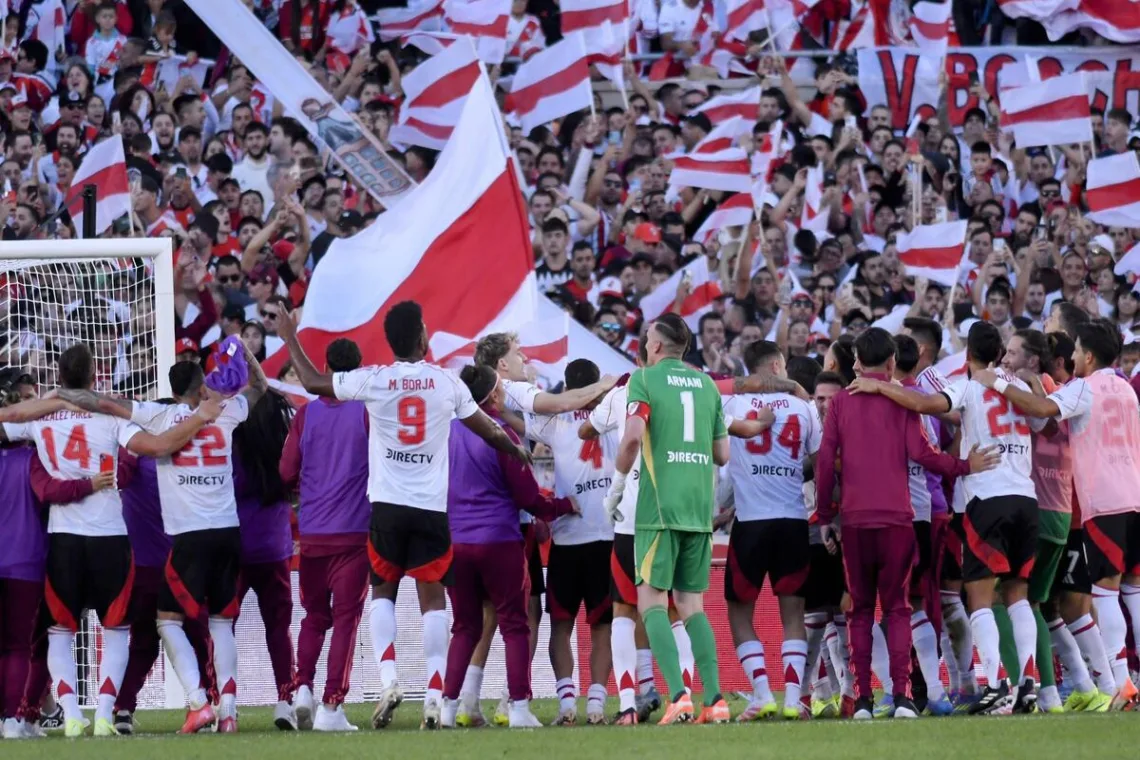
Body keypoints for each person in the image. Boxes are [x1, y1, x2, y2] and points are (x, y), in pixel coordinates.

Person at [276, 300, 530, 730]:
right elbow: (484, 427)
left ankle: (390, 679)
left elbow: (313, 381)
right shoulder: (446, 382)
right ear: (422, 338)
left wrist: (288, 336)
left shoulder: (376, 380)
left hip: (386, 509)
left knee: (382, 595)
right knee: (432, 601)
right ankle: (433, 693)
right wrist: (515, 448)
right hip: (430, 509)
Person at [3, 345, 222, 738]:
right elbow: (157, 447)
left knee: (60, 633)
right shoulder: (110, 417)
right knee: (117, 630)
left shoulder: (41, 418)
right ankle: (104, 713)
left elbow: (9, 419)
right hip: (110, 539)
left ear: (59, 374)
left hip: (63, 540)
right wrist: (200, 419)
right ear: (95, 378)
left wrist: (45, 402)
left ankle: (71, 715)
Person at [60, 338, 264, 735]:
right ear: (202, 386)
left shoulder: (159, 417)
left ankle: (197, 701)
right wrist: (246, 354)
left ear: (173, 392)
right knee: (221, 623)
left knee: (166, 621)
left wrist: (62, 396)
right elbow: (260, 389)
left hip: (190, 537)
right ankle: (230, 712)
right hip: (228, 531)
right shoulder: (227, 411)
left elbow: (105, 405)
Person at [817, 327, 999, 720]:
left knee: (861, 611)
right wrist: (966, 466)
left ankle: (865, 699)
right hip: (898, 520)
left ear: (856, 363)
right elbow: (926, 454)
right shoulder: (903, 401)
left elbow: (825, 462)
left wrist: (825, 516)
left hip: (855, 521)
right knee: (899, 608)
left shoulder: (839, 405)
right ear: (892, 363)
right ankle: (903, 698)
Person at [974, 320, 1140, 711]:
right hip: (1134, 496)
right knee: (1133, 592)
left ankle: (1120, 684)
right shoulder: (1126, 390)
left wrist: (996, 383)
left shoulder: (1085, 387)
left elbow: (1044, 410)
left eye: (1079, 350)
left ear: (1089, 356)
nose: (1075, 356)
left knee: (1105, 591)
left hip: (1104, 500)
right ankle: (1122, 682)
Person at [604, 312, 731, 725]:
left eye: (646, 337)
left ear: (656, 346)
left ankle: (678, 695)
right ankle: (715, 700)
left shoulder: (643, 379)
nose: (643, 342)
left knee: (651, 602)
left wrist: (618, 486)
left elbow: (632, 438)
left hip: (659, 508)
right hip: (699, 509)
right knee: (692, 605)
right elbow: (723, 454)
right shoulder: (708, 384)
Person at [442, 364, 579, 729]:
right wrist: (563, 506)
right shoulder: (503, 437)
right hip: (499, 541)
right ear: (495, 397)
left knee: (464, 628)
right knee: (516, 625)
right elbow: (529, 498)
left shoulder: (446, 434)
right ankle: (518, 707)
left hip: (457, 542)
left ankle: (446, 709)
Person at [0, 369, 107, 739]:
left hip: (30, 560)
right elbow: (50, 492)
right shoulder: (35, 458)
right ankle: (15, 719)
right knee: (20, 644)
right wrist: (90, 483)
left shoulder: (36, 449)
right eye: (26, 400)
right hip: (27, 562)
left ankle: (28, 714)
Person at [721, 341, 822, 721]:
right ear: (779, 365)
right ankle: (794, 700)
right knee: (793, 612)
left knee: (738, 611)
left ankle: (761, 695)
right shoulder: (805, 407)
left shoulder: (732, 404)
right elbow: (818, 463)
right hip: (793, 519)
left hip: (751, 521)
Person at [279, 338, 371, 732]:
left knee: (314, 617)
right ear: (360, 368)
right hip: (352, 534)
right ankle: (331, 708)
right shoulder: (368, 412)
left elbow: (285, 471)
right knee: (346, 621)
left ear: (327, 368)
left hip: (313, 532)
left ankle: (303, 689)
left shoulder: (305, 415)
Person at [520, 359, 615, 726]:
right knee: (603, 627)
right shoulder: (616, 415)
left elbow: (517, 419)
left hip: (567, 539)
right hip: (605, 536)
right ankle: (596, 705)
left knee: (561, 626)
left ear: (568, 388)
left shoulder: (554, 422)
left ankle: (566, 704)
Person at [233, 389, 297, 731]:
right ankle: (285, 699)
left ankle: (222, 702)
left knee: (222, 627)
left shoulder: (233, 445)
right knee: (278, 629)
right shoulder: (281, 447)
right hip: (274, 550)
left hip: (237, 548)